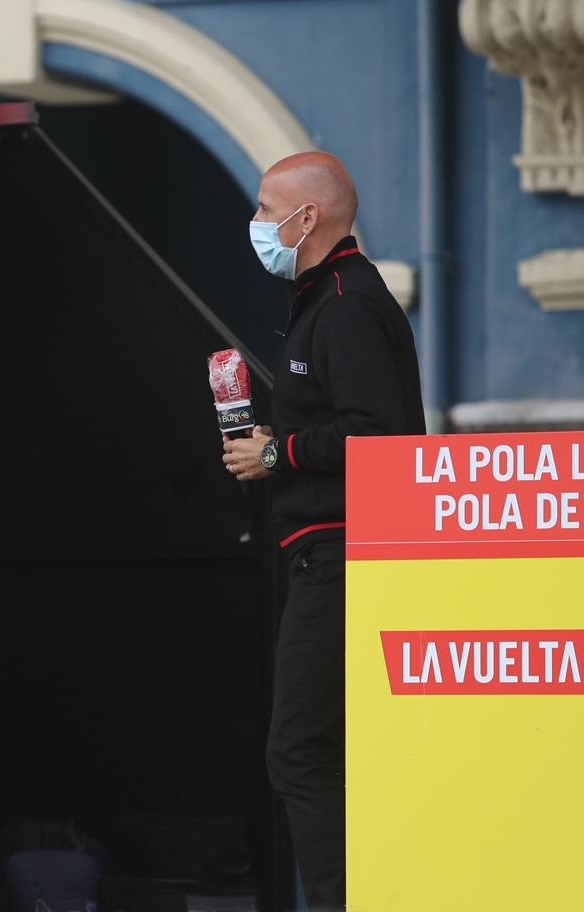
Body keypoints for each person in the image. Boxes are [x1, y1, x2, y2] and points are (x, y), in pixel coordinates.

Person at [221, 151, 424, 911]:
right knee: (327, 752)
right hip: (331, 558)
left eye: (266, 208)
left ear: (307, 218)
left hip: (346, 561)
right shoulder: (329, 300)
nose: (257, 223)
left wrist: (280, 451)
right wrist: (284, 443)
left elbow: (379, 435)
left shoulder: (343, 301)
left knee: (298, 754)